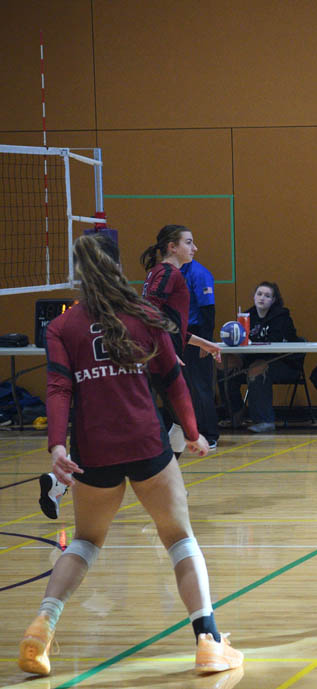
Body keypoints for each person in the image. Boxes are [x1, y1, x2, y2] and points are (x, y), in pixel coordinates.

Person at [18, 233, 242, 677]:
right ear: (119, 266)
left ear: (78, 273)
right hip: (146, 444)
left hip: (93, 450)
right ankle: (209, 641)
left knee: (84, 542)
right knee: (179, 537)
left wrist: (58, 446)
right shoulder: (144, 314)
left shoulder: (62, 327)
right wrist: (194, 433)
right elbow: (173, 382)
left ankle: (41, 628)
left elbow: (59, 388)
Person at [140, 225, 221, 448]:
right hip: (160, 357)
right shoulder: (168, 273)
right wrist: (165, 350)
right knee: (177, 420)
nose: (194, 248)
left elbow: (169, 324)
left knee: (178, 421)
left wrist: (200, 341)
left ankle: (167, 477)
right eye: (188, 242)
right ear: (172, 247)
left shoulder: (158, 272)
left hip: (158, 354)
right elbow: (149, 314)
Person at [221, 281, 303, 433]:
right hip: (252, 359)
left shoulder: (282, 317)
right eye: (259, 294)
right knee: (224, 364)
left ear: (273, 300)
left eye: (267, 296)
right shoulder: (247, 316)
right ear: (254, 297)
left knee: (257, 368)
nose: (262, 298)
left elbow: (276, 344)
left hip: (282, 362)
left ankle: (264, 420)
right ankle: (236, 413)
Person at [181, 257, 220, 450]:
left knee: (200, 386)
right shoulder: (163, 273)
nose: (194, 248)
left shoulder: (199, 273)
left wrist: (205, 342)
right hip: (173, 334)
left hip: (195, 334)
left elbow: (208, 310)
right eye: (188, 242)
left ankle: (209, 434)